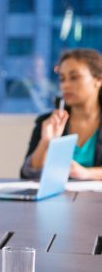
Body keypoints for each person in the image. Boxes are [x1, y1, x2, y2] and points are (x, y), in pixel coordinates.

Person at [21, 48, 102, 180]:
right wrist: (45, 142)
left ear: (98, 80)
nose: (65, 85)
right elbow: (28, 174)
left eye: (74, 78)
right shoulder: (48, 121)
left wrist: (87, 173)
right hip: (60, 199)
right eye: (62, 79)